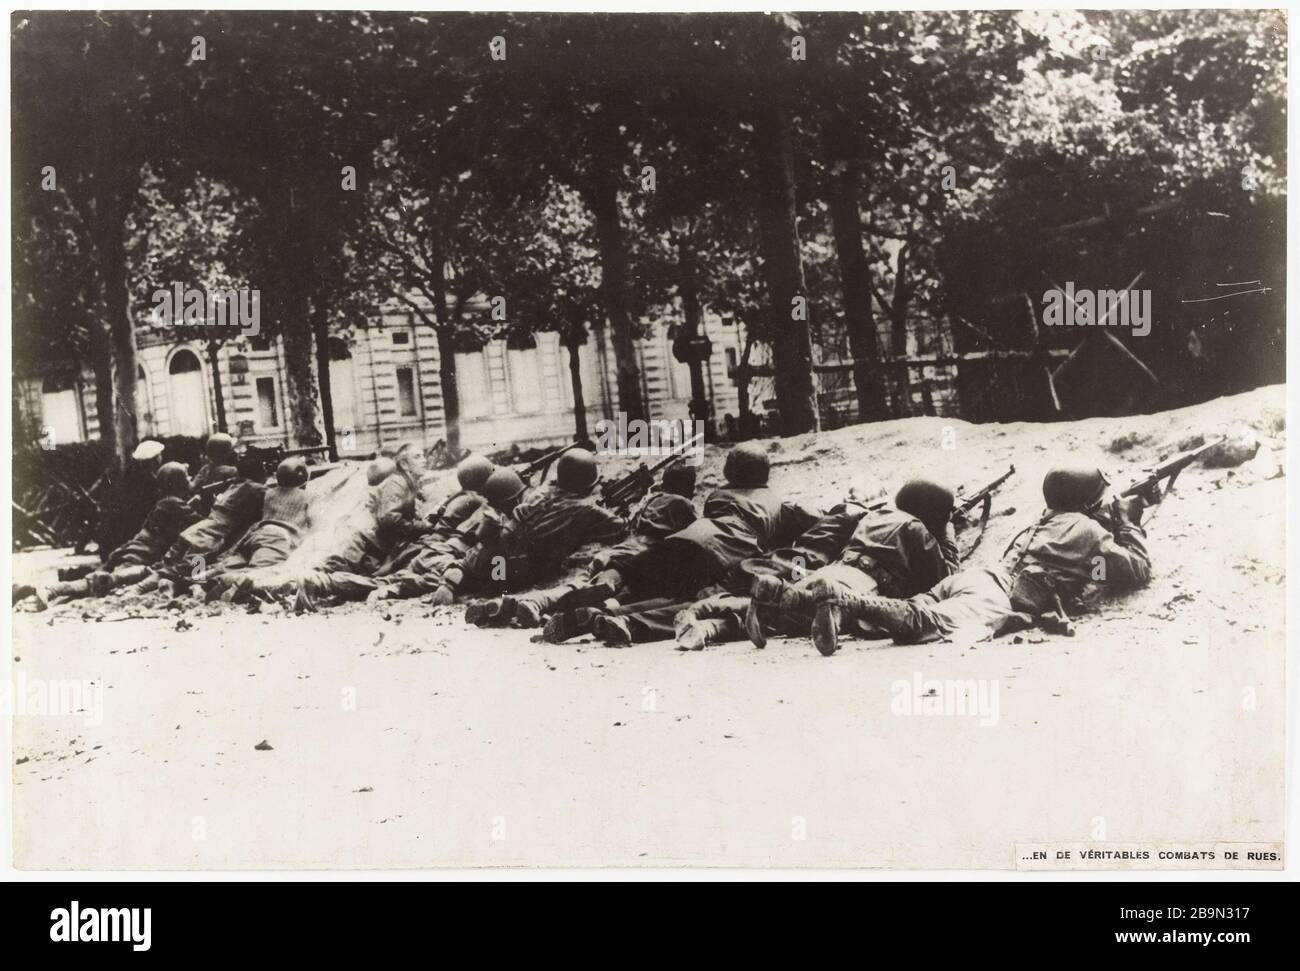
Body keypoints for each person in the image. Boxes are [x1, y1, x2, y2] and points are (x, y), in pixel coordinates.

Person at [811, 465, 1152, 645]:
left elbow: (1094, 570)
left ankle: (807, 598)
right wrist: (1127, 522)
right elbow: (1136, 570)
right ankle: (846, 601)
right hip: (995, 595)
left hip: (975, 579)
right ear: (1088, 503)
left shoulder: (1041, 521)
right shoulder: (1088, 531)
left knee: (918, 608)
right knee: (922, 624)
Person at [545, 443, 821, 646]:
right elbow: (814, 520)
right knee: (686, 600)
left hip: (682, 540)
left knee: (646, 580)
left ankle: (597, 601)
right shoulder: (779, 504)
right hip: (721, 552)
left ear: (730, 470)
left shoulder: (718, 494)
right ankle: (618, 618)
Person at [743, 478, 962, 655]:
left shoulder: (875, 515)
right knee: (856, 616)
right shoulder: (917, 529)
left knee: (801, 611)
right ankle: (818, 608)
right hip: (864, 582)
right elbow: (945, 580)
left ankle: (774, 590)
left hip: (831, 571)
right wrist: (946, 534)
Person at [475, 462, 699, 630]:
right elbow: (694, 535)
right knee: (607, 591)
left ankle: (521, 604)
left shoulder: (649, 501)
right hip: (635, 557)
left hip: (611, 554)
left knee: (583, 583)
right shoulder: (682, 505)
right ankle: (540, 603)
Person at [446, 448, 627, 612]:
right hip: (521, 572)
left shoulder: (540, 492)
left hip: (492, 561)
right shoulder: (584, 509)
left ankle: (459, 584)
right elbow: (620, 527)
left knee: (487, 570)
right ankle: (511, 601)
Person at [15, 462, 199, 608]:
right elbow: (202, 523)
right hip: (141, 558)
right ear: (178, 484)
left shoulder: (163, 503)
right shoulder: (176, 504)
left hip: (131, 551)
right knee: (99, 584)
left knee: (101, 581)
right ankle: (50, 590)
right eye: (187, 477)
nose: (190, 479)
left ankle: (37, 591)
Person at [95, 439, 166, 559]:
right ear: (153, 460)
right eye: (159, 456)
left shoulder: (132, 474)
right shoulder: (147, 481)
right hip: (129, 532)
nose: (161, 458)